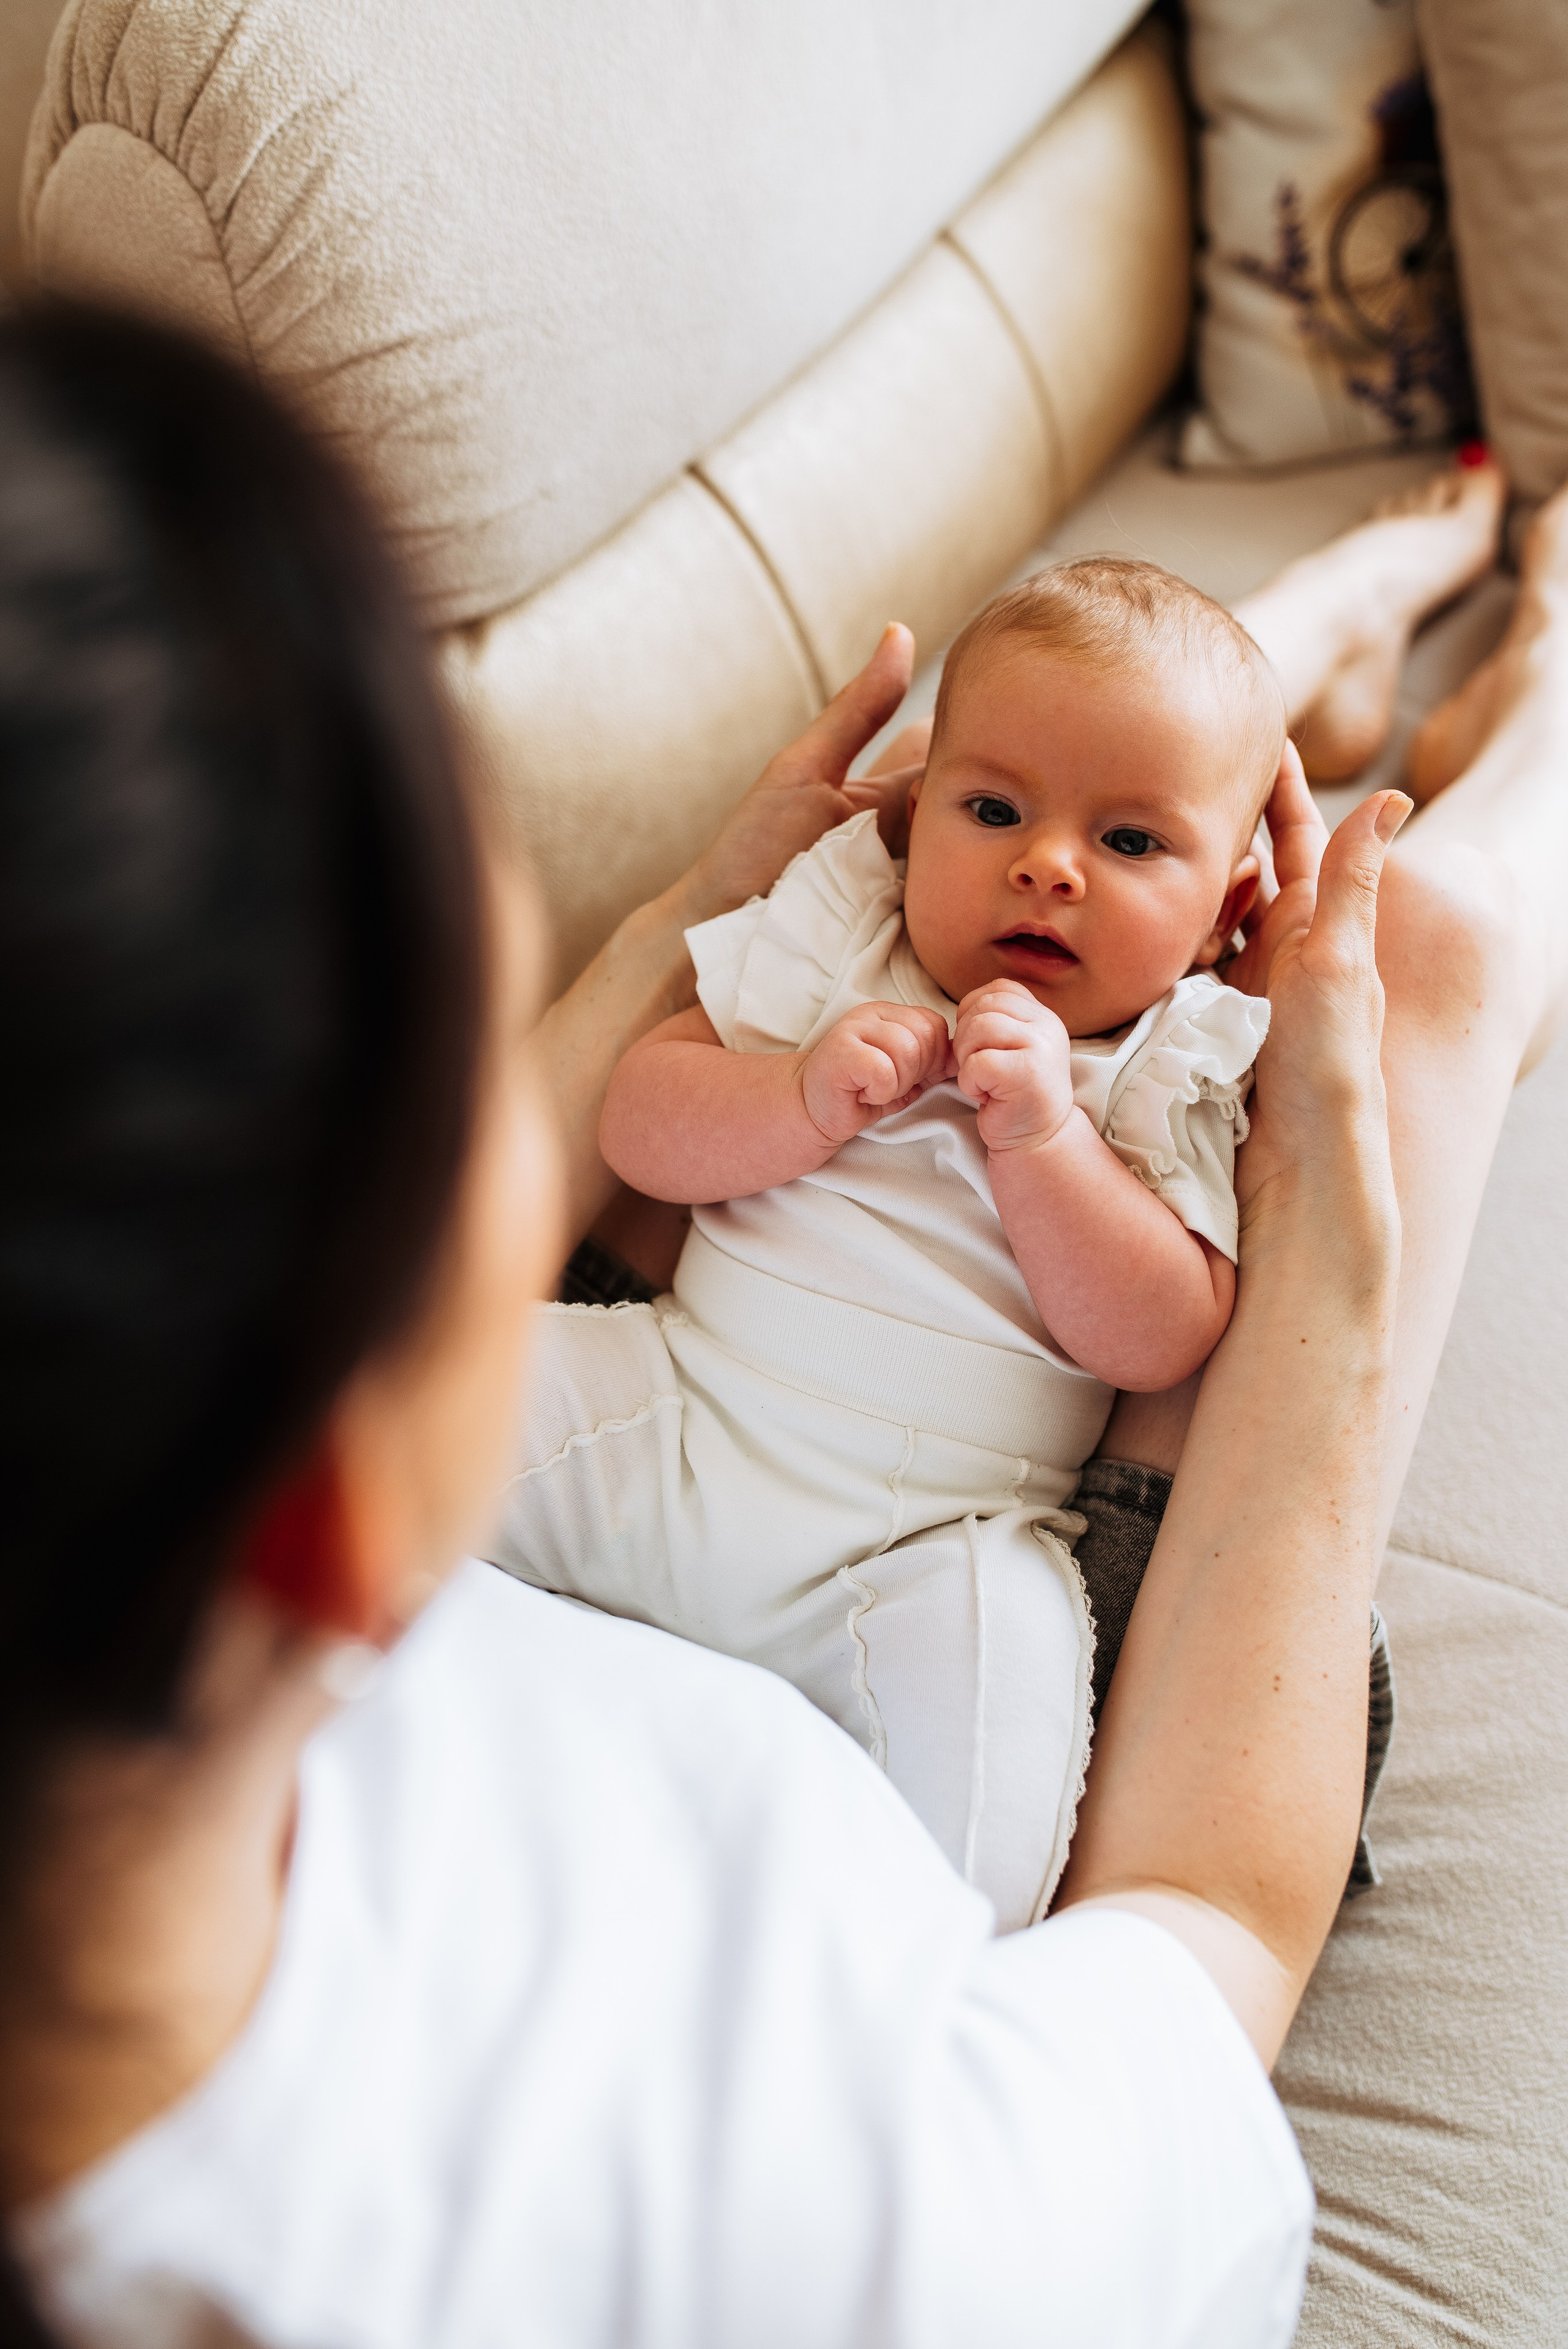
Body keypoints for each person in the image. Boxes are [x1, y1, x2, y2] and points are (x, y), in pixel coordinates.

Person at [0, 296, 1553, 2348]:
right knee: (1417, 958)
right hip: (913, 1530)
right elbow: (1208, 1931)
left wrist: (689, 931)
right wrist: (1329, 1294)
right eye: (481, 1087)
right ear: (327, 1484)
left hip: (833, 1446)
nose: (553, 1082)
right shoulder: (908, 2232)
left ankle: (1312, 640)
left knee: (1091, 796)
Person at [488, 560, 1287, 1931]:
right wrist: (792, 1095)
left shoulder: (1172, 1059)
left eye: (1131, 844)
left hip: (931, 1539)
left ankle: (908, 1979)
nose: (1046, 863)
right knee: (428, 1406)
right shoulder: (841, 937)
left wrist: (1045, 1146)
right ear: (909, 830)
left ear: (1225, 917)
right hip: (676, 1416)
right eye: (991, 810)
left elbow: (1159, 1334)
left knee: (1001, 1733)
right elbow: (640, 1123)